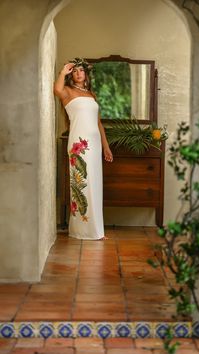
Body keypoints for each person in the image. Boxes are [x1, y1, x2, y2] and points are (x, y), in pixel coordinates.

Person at [54, 57, 113, 240]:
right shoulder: (67, 92)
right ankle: (81, 230)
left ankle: (95, 230)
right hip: (79, 144)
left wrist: (106, 146)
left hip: (94, 144)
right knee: (82, 182)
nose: (79, 73)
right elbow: (56, 89)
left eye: (82, 70)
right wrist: (64, 72)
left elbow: (98, 123)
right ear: (72, 74)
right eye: (76, 71)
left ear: (86, 74)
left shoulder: (90, 94)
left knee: (94, 183)